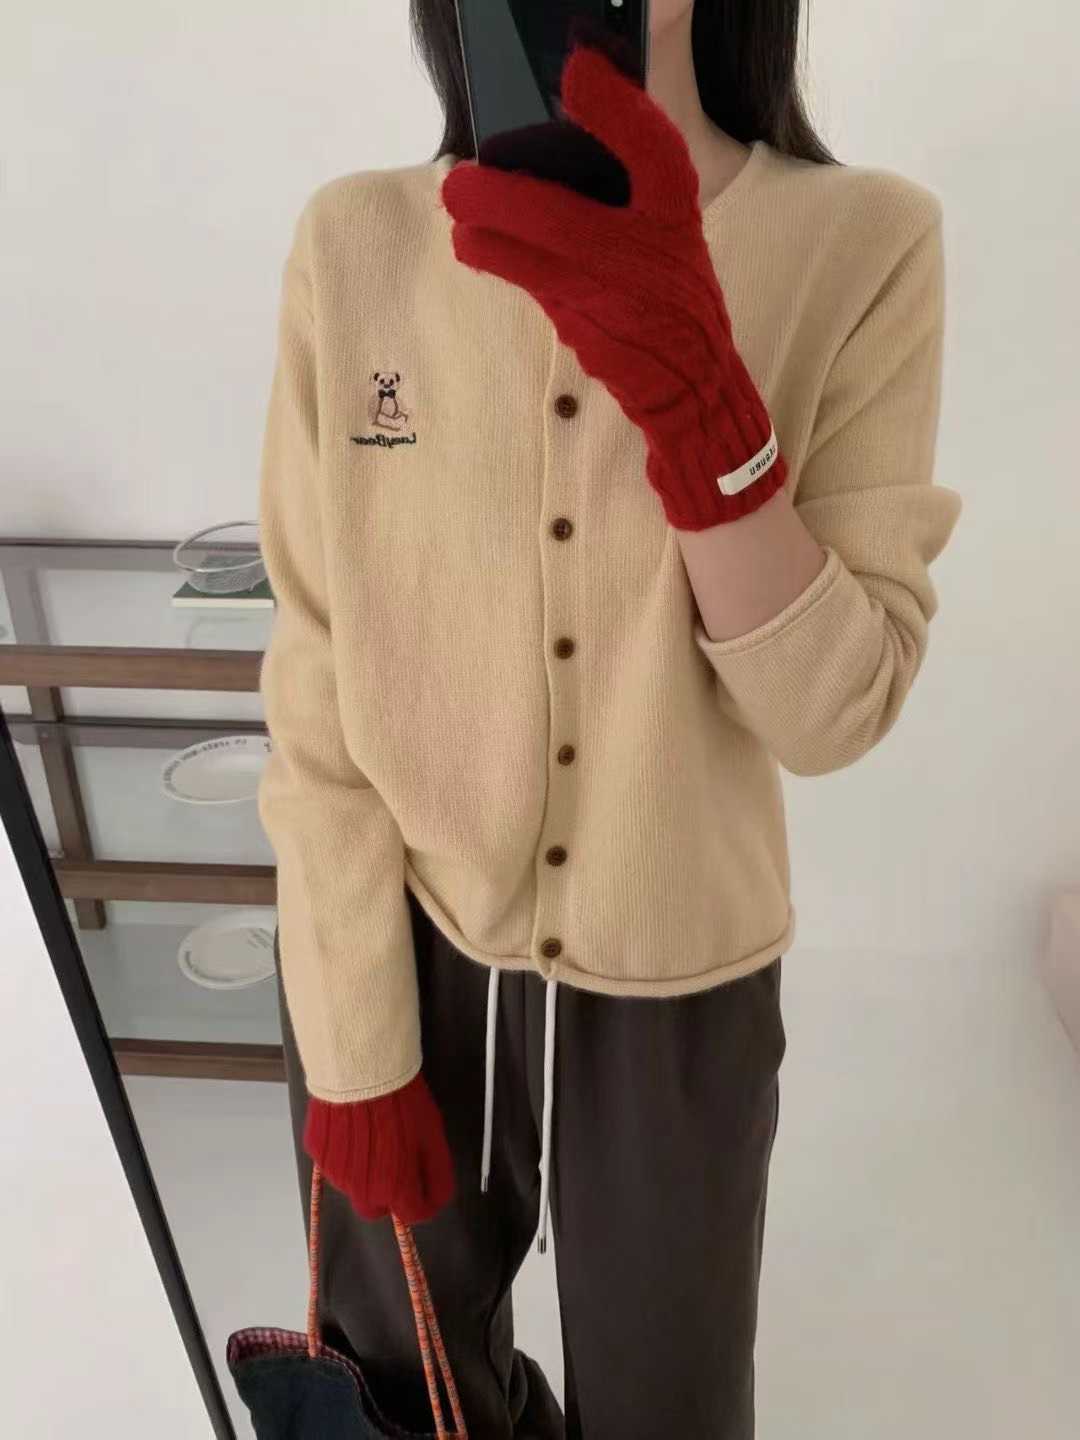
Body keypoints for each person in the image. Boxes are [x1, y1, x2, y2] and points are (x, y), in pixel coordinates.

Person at [257, 2, 962, 1435]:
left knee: (670, 1406)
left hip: (684, 963)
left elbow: (835, 711)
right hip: (399, 935)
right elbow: (317, 669)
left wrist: (706, 407)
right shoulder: (357, 244)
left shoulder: (866, 241)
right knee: (407, 1395)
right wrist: (350, 1039)